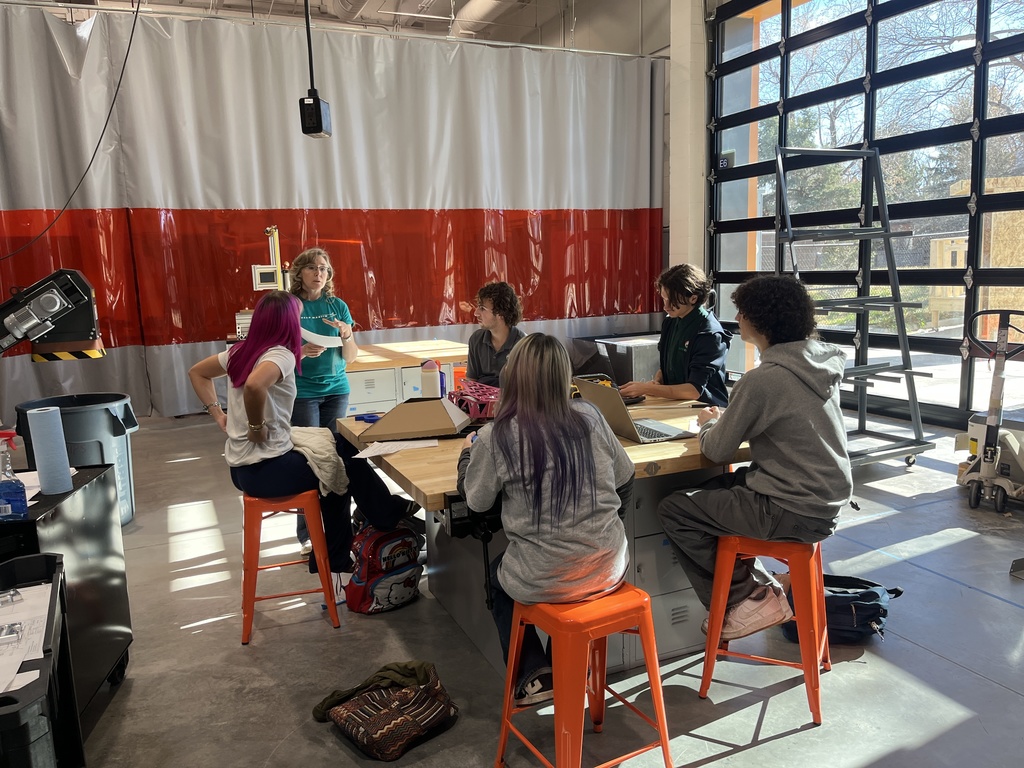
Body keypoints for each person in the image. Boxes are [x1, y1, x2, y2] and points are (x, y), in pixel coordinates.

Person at [657, 275, 853, 641]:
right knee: (707, 492)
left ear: (757, 321)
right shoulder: (819, 364)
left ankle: (744, 599)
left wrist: (707, 424)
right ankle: (760, 587)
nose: (738, 319)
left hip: (790, 507)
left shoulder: (764, 379)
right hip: (822, 502)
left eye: (741, 312)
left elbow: (716, 449)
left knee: (675, 508)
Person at [456, 334, 635, 706]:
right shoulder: (590, 415)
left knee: (497, 577)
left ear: (513, 376)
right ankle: (568, 662)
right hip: (608, 566)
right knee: (561, 570)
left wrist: (466, 457)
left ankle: (533, 674)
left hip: (549, 575)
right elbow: (625, 478)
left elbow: (476, 501)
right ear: (564, 375)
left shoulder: (497, 435)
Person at [187, 291, 352, 600]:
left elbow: (197, 372)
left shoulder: (240, 351)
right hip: (269, 469)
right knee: (339, 477)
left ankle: (379, 518)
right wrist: (255, 426)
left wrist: (219, 416)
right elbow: (254, 385)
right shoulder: (281, 355)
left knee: (342, 448)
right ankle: (337, 562)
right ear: (289, 321)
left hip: (242, 469)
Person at [288, 247, 359, 554]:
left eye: (324, 269)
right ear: (299, 273)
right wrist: (300, 352)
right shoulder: (291, 306)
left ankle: (336, 528)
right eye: (313, 268)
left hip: (336, 390)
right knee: (309, 461)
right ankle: (307, 535)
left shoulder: (337, 305)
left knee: (336, 459)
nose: (319, 274)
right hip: (304, 393)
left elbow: (352, 357)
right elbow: (273, 354)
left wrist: (346, 335)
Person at [618, 264, 731, 407]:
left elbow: (694, 390)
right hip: (675, 403)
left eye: (672, 301)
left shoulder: (710, 334)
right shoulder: (670, 322)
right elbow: (666, 367)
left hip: (704, 408)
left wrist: (647, 388)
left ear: (693, 298)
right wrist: (658, 380)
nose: (666, 306)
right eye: (664, 299)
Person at [465, 281, 525, 388]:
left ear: (501, 313)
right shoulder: (476, 339)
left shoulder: (523, 345)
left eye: (482, 308)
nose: (476, 313)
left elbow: (527, 390)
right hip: (481, 402)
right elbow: (471, 382)